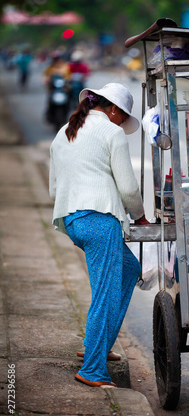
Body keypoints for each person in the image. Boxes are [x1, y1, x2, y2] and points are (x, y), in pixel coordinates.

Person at [49, 83, 149, 388]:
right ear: (114, 110)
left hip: (73, 220)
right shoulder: (111, 133)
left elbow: (55, 187)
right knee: (104, 294)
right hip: (98, 220)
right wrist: (141, 217)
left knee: (129, 269)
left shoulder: (65, 131)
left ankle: (96, 346)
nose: (121, 123)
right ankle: (92, 368)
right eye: (122, 116)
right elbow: (129, 188)